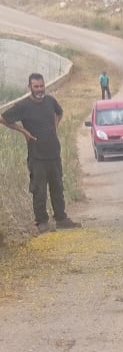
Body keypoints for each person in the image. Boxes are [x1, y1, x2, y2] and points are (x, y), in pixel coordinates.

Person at [0, 73, 81, 233]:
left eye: (41, 86)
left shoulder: (50, 101)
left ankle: (61, 219)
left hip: (54, 153)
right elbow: (3, 118)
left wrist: (55, 126)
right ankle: (42, 222)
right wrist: (24, 131)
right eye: (36, 86)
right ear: (29, 87)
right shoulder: (23, 105)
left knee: (58, 187)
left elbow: (59, 112)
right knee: (39, 191)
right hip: (37, 156)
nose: (39, 89)